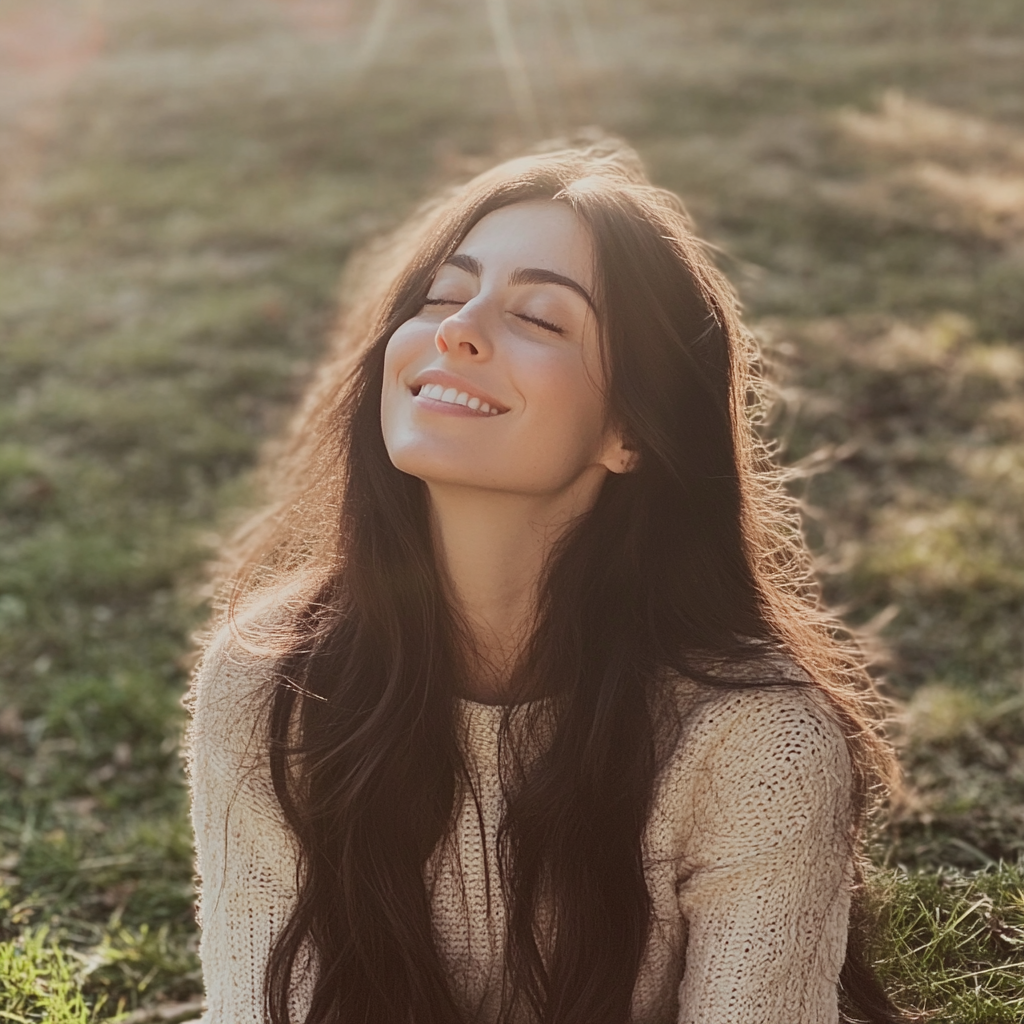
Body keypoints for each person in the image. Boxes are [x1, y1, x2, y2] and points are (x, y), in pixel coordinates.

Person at [186, 136, 904, 1024]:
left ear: (631, 431)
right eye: (445, 294)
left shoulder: (757, 742)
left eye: (541, 319)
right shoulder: (269, 683)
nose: (456, 328)